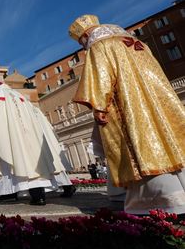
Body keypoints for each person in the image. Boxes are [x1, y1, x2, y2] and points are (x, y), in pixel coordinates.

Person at [71, 14, 185, 214]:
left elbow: (102, 76)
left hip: (128, 104)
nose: (84, 47)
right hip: (157, 101)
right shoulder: (135, 42)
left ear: (85, 35)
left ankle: (158, 201)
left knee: (141, 146)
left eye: (82, 42)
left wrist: (99, 106)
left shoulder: (99, 46)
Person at [0, 70, 60, 205]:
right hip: (31, 136)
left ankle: (9, 194)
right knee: (34, 163)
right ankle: (38, 195)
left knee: (12, 161)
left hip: (11, 137)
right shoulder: (19, 95)